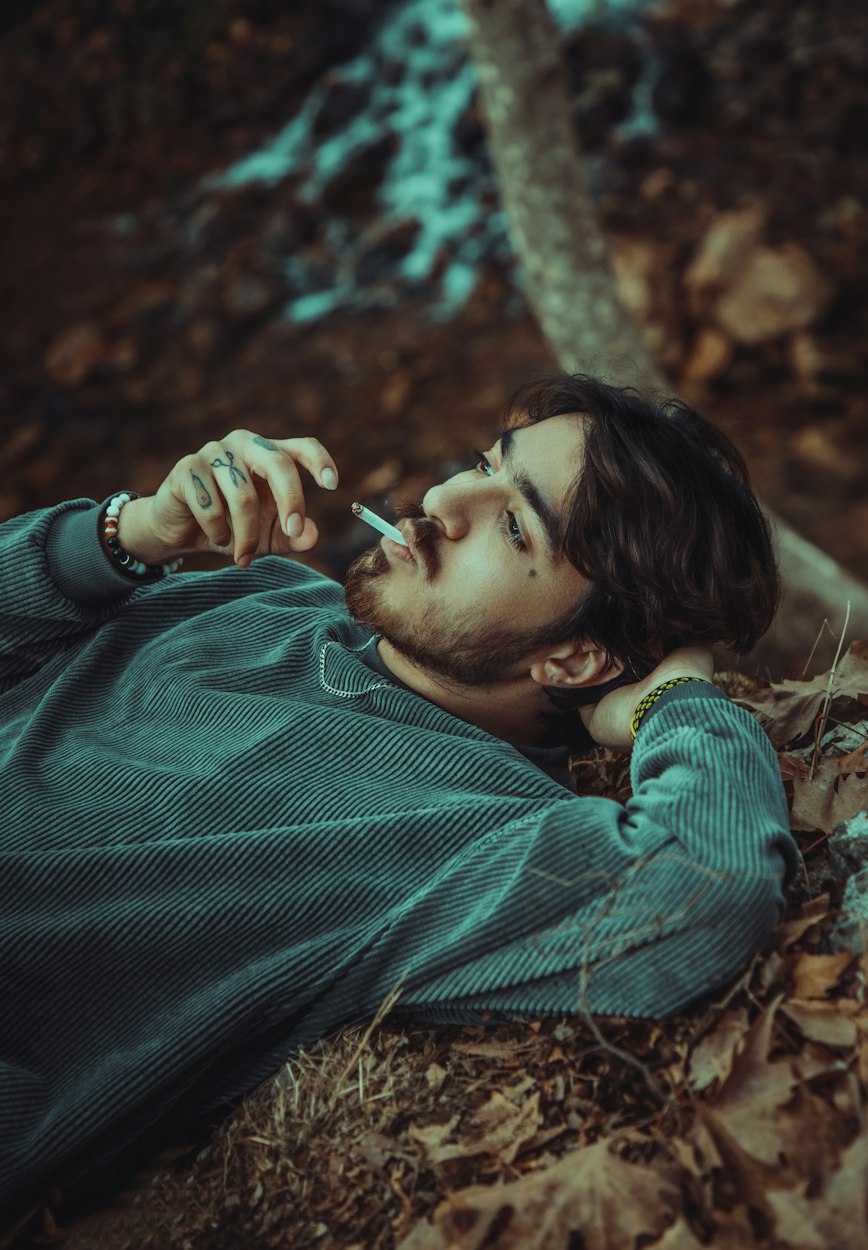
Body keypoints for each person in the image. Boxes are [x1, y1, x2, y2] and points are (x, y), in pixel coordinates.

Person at [0, 373, 795, 1223]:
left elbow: (704, 886)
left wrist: (672, 700)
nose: (444, 496)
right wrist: (131, 536)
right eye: (486, 462)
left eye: (515, 523)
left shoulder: (470, 829)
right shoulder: (262, 590)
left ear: (576, 660)